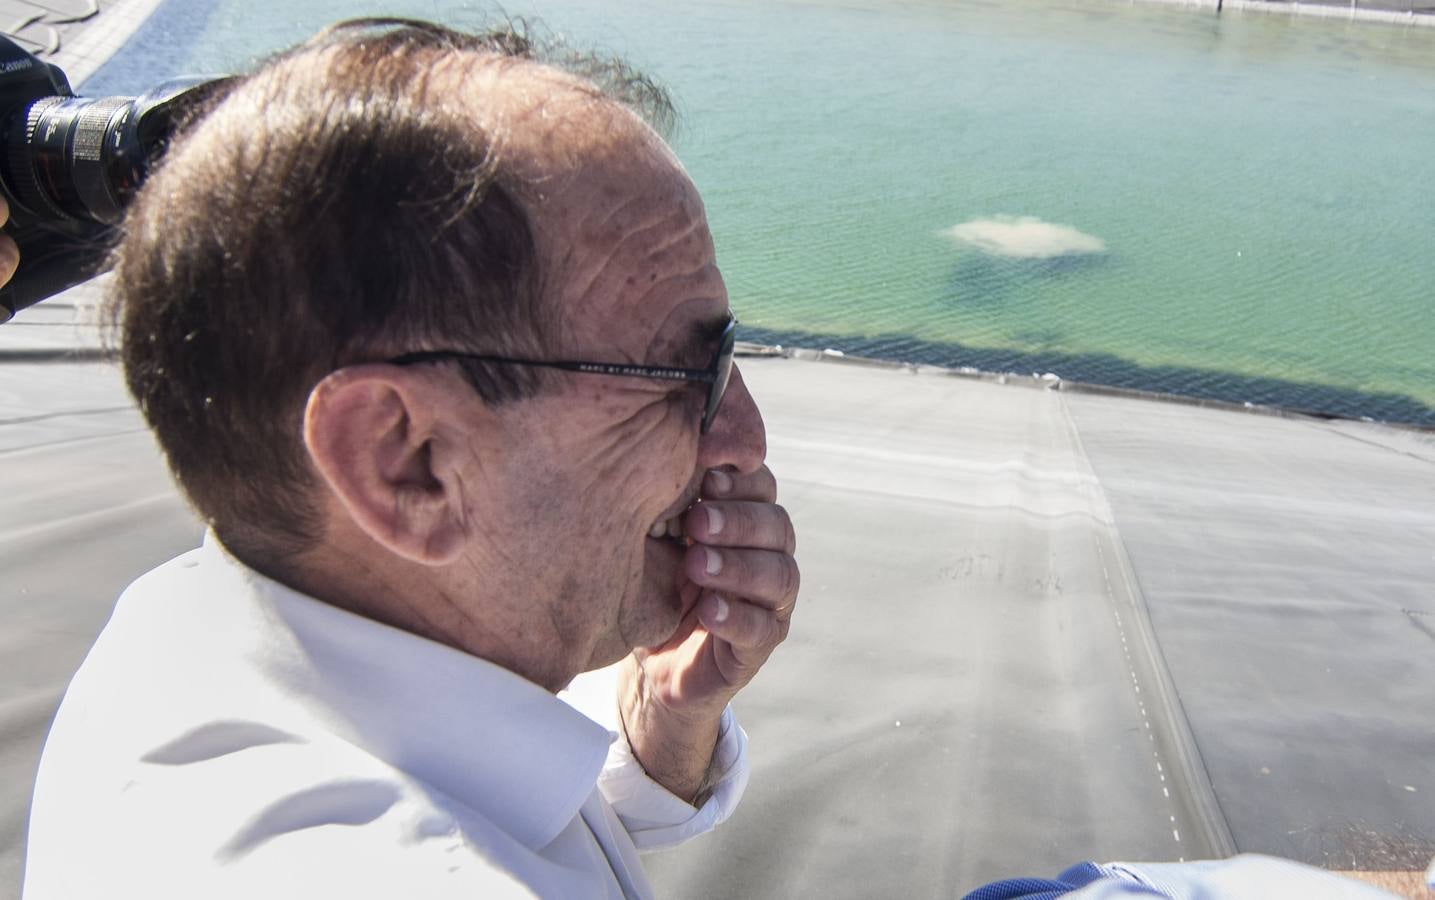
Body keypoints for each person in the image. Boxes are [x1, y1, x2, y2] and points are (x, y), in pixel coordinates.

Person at [23, 18, 796, 899]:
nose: (743, 436)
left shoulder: (174, 634)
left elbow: (485, 804)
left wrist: (660, 722)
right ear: (405, 462)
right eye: (688, 373)